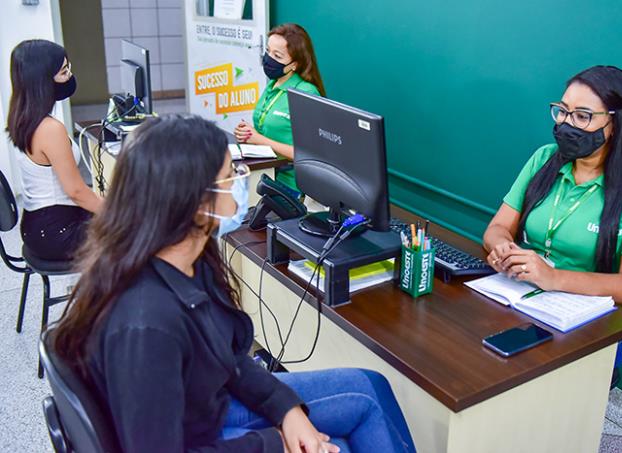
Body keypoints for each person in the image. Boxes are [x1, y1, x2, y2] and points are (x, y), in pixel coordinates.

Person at [50, 114, 415, 452]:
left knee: (372, 384)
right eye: (230, 175)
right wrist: (272, 444)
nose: (241, 181)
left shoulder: (189, 258)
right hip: (196, 429)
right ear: (192, 203)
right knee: (350, 430)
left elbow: (225, 355)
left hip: (203, 399)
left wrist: (286, 409)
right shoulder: (146, 323)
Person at [483, 65, 622, 371]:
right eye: (562, 111)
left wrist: (554, 278)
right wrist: (503, 247)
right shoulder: (544, 158)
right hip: (524, 298)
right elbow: (497, 227)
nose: (566, 124)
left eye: (582, 116)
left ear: (617, 120)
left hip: (592, 318)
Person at [6, 39, 103, 261]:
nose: (69, 75)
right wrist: (119, 214)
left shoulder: (22, 117)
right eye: (63, 71)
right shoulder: (50, 129)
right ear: (42, 81)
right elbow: (76, 192)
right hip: (57, 232)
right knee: (137, 233)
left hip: (37, 225)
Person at [234, 23, 325, 193]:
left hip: (291, 187)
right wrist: (249, 133)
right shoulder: (273, 84)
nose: (269, 59)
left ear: (294, 65)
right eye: (268, 51)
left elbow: (309, 155)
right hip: (266, 174)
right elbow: (279, 131)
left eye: (277, 55)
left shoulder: (306, 93)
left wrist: (259, 140)